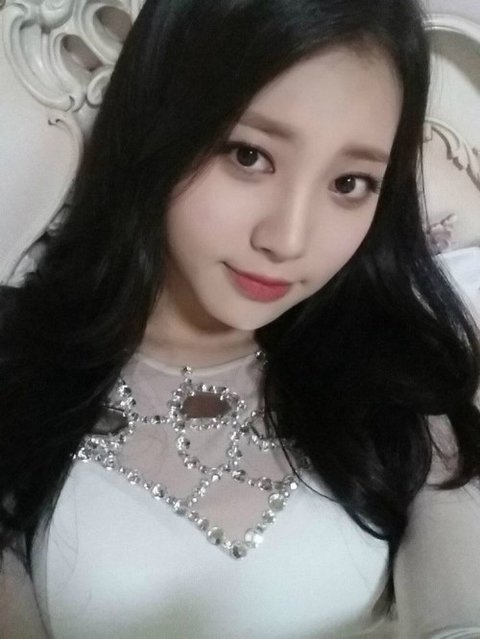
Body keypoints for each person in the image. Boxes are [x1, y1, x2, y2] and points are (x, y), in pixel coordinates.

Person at [1, 0, 480, 637]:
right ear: (156, 122)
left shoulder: (400, 382)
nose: (288, 239)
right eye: (248, 155)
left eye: (349, 183)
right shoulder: (17, 376)